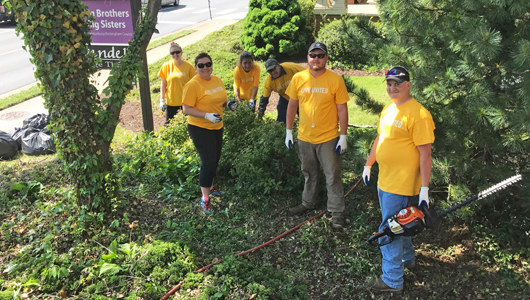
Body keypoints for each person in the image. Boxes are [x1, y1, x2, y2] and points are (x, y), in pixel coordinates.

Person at [362, 66, 435, 293]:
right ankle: (408, 260)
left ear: (408, 85)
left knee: (391, 229)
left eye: (397, 83)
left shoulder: (419, 114)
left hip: (402, 185)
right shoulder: (388, 109)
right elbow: (380, 138)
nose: (392, 88)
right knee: (402, 225)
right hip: (385, 181)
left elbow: (426, 153)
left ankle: (392, 280)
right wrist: (369, 163)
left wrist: (424, 188)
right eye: (389, 83)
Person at [284, 42, 349, 230]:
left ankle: (337, 212)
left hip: (328, 138)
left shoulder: (335, 80)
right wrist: (289, 131)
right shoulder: (298, 78)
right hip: (305, 137)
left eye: (321, 55)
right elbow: (292, 106)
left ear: (326, 58)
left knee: (332, 175)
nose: (317, 59)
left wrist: (343, 136)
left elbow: (342, 110)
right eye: (313, 55)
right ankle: (308, 202)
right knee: (309, 173)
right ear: (307, 57)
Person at [182, 52, 228, 214]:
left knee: (215, 159)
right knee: (208, 162)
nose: (205, 68)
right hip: (200, 128)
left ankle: (211, 186)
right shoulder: (193, 85)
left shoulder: (217, 80)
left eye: (208, 64)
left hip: (217, 126)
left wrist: (229, 104)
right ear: (195, 68)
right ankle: (205, 199)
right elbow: (186, 109)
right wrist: (206, 115)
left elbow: (222, 99)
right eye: (201, 65)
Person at [158, 42, 196, 125]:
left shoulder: (188, 66)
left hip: (186, 102)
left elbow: (195, 84)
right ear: (170, 55)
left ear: (181, 53)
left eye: (177, 52)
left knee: (189, 124)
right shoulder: (166, 66)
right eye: (172, 53)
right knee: (168, 125)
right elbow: (163, 85)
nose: (175, 54)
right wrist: (161, 100)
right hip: (171, 102)